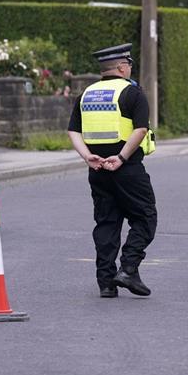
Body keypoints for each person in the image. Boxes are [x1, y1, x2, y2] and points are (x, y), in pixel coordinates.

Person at [67, 43, 158, 298]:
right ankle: (128, 268)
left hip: (97, 170)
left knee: (106, 223)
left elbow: (73, 131)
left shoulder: (86, 94)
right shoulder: (132, 93)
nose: (130, 68)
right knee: (145, 217)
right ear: (121, 66)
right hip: (127, 168)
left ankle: (106, 282)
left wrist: (87, 157)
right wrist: (120, 157)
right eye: (128, 64)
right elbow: (140, 130)